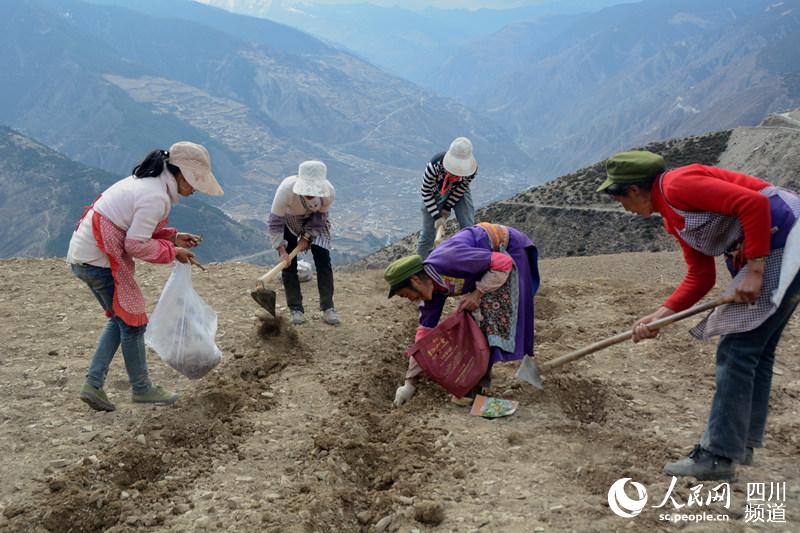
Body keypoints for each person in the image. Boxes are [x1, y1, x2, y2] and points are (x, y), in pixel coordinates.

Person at [598, 150, 800, 481]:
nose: (626, 210)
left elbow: (754, 205)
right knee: (754, 352)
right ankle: (740, 443)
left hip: (787, 241)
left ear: (632, 190)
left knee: (737, 351)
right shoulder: (672, 216)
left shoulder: (677, 186)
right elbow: (700, 276)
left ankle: (718, 456)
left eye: (621, 200)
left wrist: (755, 269)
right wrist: (658, 317)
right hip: (781, 242)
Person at [67, 142, 224, 412]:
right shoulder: (155, 196)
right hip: (98, 261)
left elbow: (134, 226)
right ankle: (141, 388)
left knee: (121, 320)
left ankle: (93, 383)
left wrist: (172, 237)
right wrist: (173, 251)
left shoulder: (149, 184)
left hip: (86, 257)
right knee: (132, 324)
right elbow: (135, 244)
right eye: (194, 181)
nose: (196, 188)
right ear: (180, 174)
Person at [386, 222, 540, 406]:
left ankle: (476, 386)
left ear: (415, 280)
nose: (410, 299)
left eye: (405, 294)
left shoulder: (450, 260)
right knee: (473, 317)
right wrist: (409, 384)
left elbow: (502, 263)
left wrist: (477, 294)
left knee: (488, 314)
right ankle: (476, 385)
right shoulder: (431, 293)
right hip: (490, 263)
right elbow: (423, 337)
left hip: (508, 248)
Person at [268, 160, 339, 326]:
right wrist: (281, 249)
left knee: (323, 261)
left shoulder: (329, 194)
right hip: (289, 221)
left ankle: (328, 307)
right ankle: (296, 309)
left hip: (316, 222)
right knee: (288, 265)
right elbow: (275, 222)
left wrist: (307, 237)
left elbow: (320, 217)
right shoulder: (286, 190)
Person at [417, 137, 478, 259]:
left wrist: (446, 209)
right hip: (434, 192)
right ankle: (422, 266)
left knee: (468, 227)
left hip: (458, 192)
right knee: (428, 235)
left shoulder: (471, 170)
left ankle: (469, 260)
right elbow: (426, 191)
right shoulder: (435, 165)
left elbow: (460, 190)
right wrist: (436, 216)